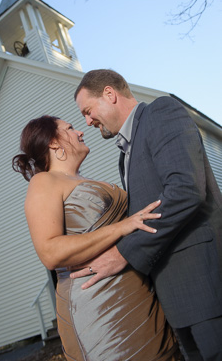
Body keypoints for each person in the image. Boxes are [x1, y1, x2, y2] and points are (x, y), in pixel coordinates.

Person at [73, 69, 222, 360]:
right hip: (174, 298)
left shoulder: (160, 113)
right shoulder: (124, 153)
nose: (87, 122)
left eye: (88, 111)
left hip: (205, 286)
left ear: (109, 94)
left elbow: (184, 189)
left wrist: (124, 253)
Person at [12, 115, 181, 361]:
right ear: (53, 143)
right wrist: (121, 227)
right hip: (98, 307)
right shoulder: (44, 181)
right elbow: (50, 252)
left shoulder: (90, 181)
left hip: (139, 294)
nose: (80, 132)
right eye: (69, 128)